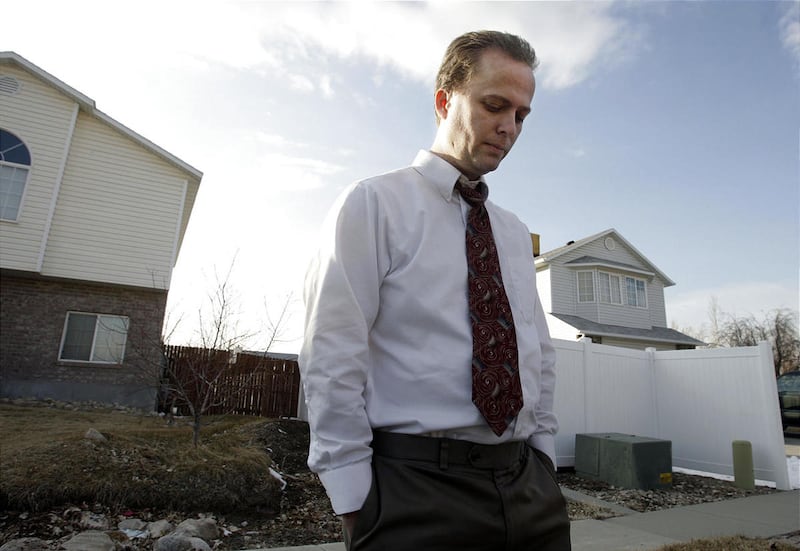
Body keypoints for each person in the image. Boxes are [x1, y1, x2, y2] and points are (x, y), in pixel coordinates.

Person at [299, 30, 570, 551]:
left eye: (521, 115)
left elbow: (537, 352)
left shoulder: (513, 232)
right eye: (495, 105)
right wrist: (354, 500)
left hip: (529, 490)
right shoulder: (373, 205)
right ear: (445, 101)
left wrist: (543, 458)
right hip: (414, 492)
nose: (509, 127)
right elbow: (331, 352)